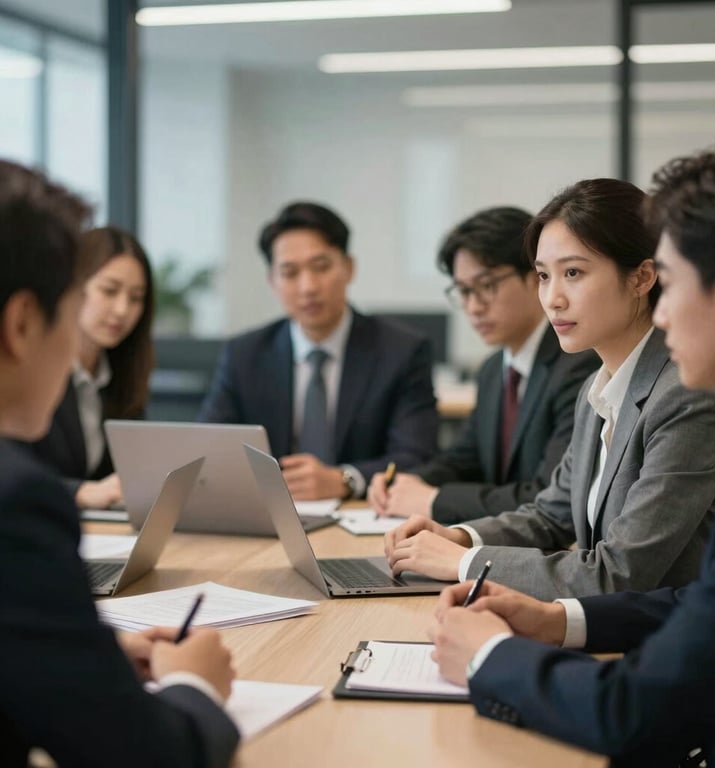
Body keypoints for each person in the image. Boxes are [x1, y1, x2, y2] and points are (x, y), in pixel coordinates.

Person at [428, 137, 715, 768]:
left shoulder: (702, 410)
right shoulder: (610, 390)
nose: (662, 315)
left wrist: (488, 654)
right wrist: (553, 619)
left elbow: (637, 706)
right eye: (544, 276)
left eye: (670, 283)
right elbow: (697, 600)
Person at [385, 178, 715, 600]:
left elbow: (618, 573)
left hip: (660, 644)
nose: (552, 298)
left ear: (642, 276)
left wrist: (460, 564)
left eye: (573, 273)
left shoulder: (685, 396)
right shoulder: (599, 387)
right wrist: (460, 537)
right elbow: (550, 515)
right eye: (542, 276)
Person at [0, 159, 238, 767]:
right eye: (83, 297)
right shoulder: (17, 505)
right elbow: (151, 757)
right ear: (24, 323)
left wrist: (81, 659)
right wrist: (194, 684)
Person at [368, 207, 598, 524]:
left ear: (534, 278)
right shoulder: (493, 369)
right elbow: (466, 458)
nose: (474, 307)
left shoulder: (578, 364)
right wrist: (406, 482)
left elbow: (548, 496)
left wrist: (433, 501)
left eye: (487, 285)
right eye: (464, 291)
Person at [199, 201, 439, 500]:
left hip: (363, 517)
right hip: (271, 517)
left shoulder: (401, 351)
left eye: (321, 267)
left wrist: (345, 479)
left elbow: (418, 456)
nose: (308, 286)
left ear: (349, 268)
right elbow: (210, 450)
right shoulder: (244, 355)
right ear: (272, 281)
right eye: (290, 272)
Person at [26, 226, 154, 509]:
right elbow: (12, 468)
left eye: (136, 298)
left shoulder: (121, 377)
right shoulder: (32, 370)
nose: (122, 310)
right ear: (73, 287)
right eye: (109, 291)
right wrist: (79, 492)